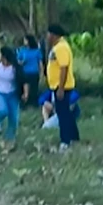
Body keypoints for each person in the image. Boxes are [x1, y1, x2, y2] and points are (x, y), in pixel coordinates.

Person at [45, 23, 79, 152]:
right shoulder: (58, 47)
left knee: (62, 114)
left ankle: (65, 141)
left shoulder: (61, 48)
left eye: (48, 34)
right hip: (58, 86)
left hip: (62, 87)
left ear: (53, 35)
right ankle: (74, 137)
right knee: (66, 114)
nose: (47, 37)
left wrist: (60, 88)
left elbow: (63, 67)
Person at [16, 34, 43, 107]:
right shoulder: (22, 50)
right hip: (24, 73)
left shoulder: (37, 51)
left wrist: (41, 73)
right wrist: (22, 62)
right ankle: (24, 103)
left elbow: (40, 63)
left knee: (34, 89)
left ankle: (34, 104)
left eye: (25, 40)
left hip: (34, 72)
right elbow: (18, 61)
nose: (24, 41)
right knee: (23, 89)